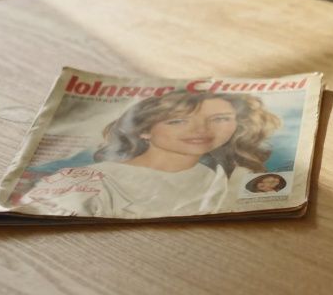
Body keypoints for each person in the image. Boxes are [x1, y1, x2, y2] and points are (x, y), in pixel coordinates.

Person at [18, 91, 283, 218]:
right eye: (177, 121)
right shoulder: (89, 180)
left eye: (220, 119)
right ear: (144, 130)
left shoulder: (231, 176)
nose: (201, 130)